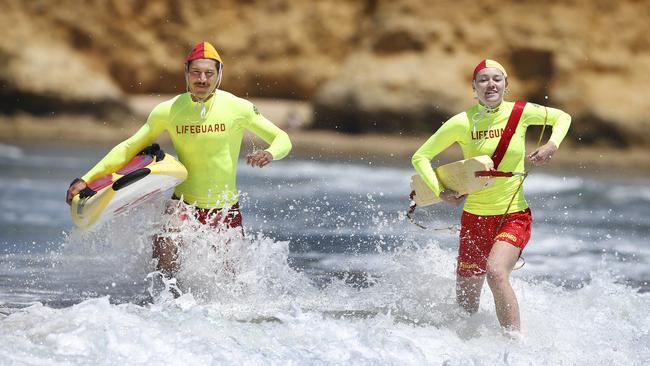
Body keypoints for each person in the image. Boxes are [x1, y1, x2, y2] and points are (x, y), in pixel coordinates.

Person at [66, 41, 292, 284]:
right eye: (196, 72)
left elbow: (283, 138)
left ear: (219, 75)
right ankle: (166, 308)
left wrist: (270, 153)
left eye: (209, 73)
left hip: (225, 208)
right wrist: (85, 179)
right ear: (186, 73)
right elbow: (129, 147)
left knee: (232, 282)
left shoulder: (237, 107)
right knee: (163, 246)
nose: (202, 79)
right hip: (185, 203)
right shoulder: (169, 110)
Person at [411, 59, 571, 332]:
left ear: (506, 85)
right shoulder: (462, 122)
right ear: (474, 88)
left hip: (513, 214)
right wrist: (440, 192)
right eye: (483, 79)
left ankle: (515, 349)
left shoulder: (520, 112)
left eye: (497, 78)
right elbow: (421, 157)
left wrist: (551, 145)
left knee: (496, 274)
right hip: (475, 217)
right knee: (466, 302)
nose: (490, 84)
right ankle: (466, 348)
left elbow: (562, 117)